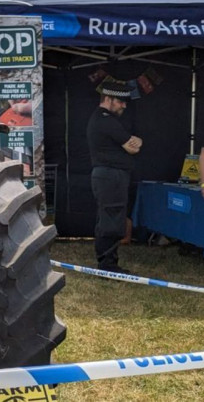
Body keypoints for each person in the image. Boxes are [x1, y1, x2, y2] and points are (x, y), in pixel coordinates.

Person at [86, 80, 142, 273]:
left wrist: (135, 142)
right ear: (108, 99)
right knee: (111, 220)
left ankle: (109, 262)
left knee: (110, 217)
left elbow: (131, 144)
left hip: (110, 177)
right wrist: (137, 142)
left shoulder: (103, 119)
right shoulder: (105, 120)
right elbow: (132, 148)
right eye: (120, 101)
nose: (124, 105)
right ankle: (107, 265)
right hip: (110, 176)